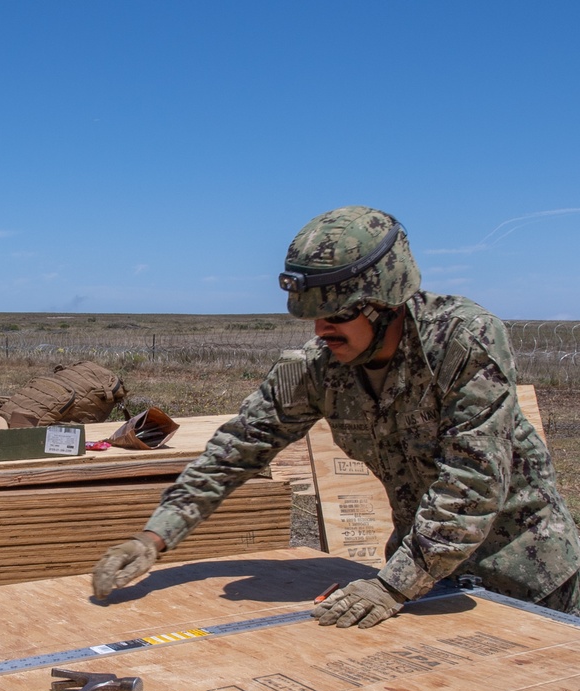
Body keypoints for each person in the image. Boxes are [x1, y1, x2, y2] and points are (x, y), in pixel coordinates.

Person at [92, 205, 580, 628]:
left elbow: (471, 485)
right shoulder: (318, 370)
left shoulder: (462, 342)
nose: (321, 329)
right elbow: (233, 453)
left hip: (527, 578)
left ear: (384, 302)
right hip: (426, 584)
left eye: (338, 314)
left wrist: (392, 587)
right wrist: (153, 537)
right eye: (313, 316)